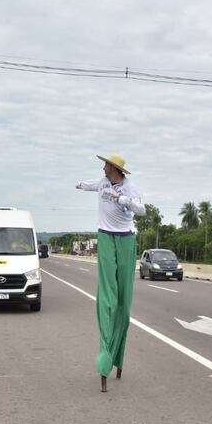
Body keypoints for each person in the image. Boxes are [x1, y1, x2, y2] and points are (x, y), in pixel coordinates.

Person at [76, 154, 146, 392]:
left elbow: (142, 209)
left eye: (106, 165)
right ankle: (105, 354)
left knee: (124, 303)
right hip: (105, 236)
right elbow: (90, 184)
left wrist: (124, 199)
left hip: (126, 239)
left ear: (115, 169)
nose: (103, 167)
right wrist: (79, 184)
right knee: (108, 297)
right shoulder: (103, 182)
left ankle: (118, 354)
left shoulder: (130, 187)